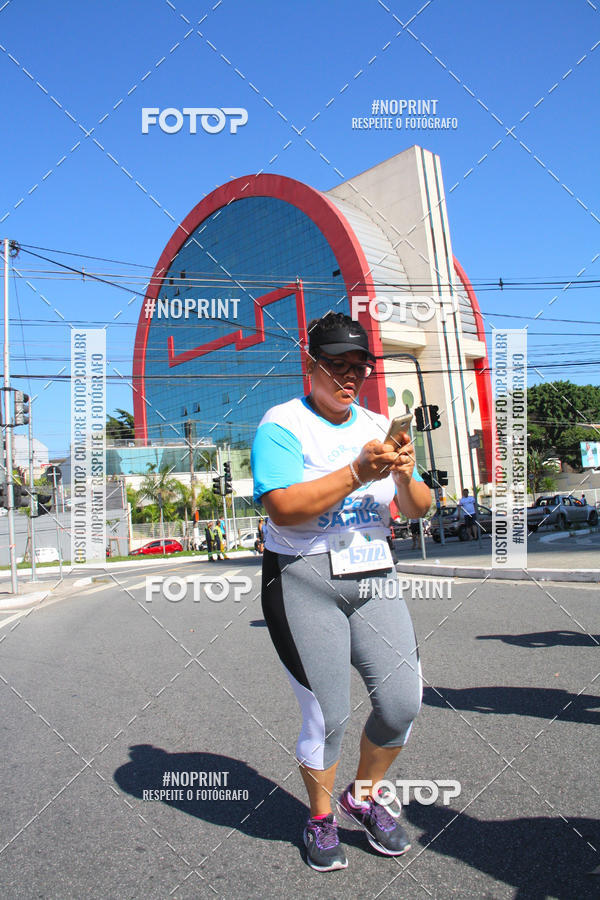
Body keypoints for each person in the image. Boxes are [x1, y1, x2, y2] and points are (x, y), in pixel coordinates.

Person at [251, 311, 431, 872]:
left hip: (375, 579)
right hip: (303, 581)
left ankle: (363, 793)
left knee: (403, 700)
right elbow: (282, 506)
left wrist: (402, 475)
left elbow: (421, 509)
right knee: (327, 717)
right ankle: (321, 816)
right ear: (311, 364)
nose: (349, 376)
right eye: (337, 365)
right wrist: (357, 473)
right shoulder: (282, 424)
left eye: (359, 366)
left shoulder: (377, 424)